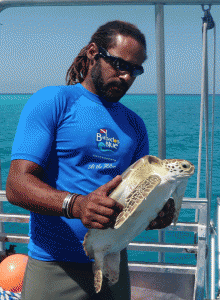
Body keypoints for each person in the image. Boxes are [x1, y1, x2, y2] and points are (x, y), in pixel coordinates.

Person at [6, 20, 175, 300]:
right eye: (120, 65)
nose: (127, 77)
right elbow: (16, 184)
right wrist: (77, 204)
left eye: (136, 70)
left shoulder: (135, 125)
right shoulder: (53, 101)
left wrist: (155, 213)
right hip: (54, 267)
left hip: (113, 266)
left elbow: (137, 196)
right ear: (94, 53)